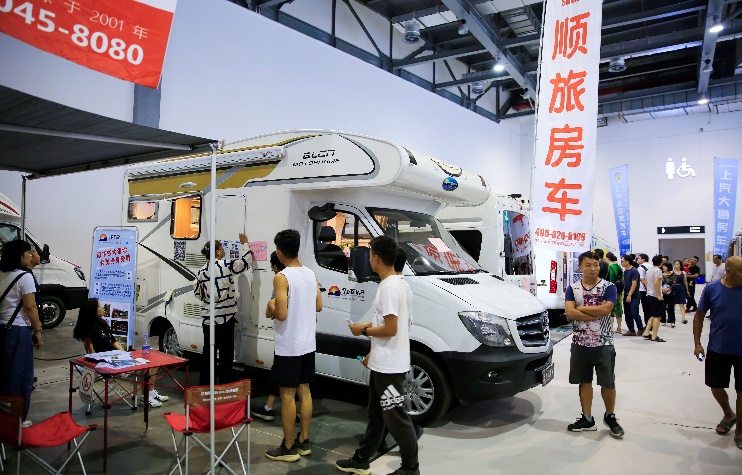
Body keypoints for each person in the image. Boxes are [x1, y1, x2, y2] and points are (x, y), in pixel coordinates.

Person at [337, 236, 420, 475]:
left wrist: (362, 331)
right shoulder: (397, 284)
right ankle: (362, 458)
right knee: (376, 415)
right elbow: (388, 324)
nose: (369, 259)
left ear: (376, 258)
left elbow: (391, 328)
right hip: (383, 362)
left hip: (390, 366)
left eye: (370, 254)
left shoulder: (389, 288)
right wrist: (371, 347)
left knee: (395, 417)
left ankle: (411, 467)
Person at [264, 230, 322, 462]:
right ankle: (303, 441)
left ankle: (288, 447)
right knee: (304, 391)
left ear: (279, 251)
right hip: (307, 343)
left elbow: (281, 313)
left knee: (287, 395)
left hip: (289, 345)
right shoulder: (310, 273)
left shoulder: (282, 277)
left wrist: (271, 306)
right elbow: (318, 305)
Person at [564, 251, 623, 438]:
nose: (593, 268)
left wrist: (581, 308)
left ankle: (610, 416)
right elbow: (570, 313)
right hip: (580, 343)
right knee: (584, 381)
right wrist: (595, 312)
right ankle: (587, 418)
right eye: (588, 265)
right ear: (580, 267)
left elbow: (607, 309)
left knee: (608, 382)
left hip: (603, 342)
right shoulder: (573, 288)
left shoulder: (609, 287)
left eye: (596, 265)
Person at [693, 256, 742, 451]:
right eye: (740, 273)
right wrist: (697, 344)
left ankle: (740, 431)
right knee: (715, 386)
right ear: (728, 271)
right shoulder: (712, 289)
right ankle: (729, 414)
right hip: (718, 348)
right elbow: (698, 316)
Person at [194, 233, 251, 386]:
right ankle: (224, 386)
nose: (224, 250)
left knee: (208, 354)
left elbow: (197, 293)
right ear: (218, 252)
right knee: (226, 355)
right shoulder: (226, 265)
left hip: (208, 318)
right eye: (222, 247)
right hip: (225, 317)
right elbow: (245, 262)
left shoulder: (201, 271)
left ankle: (205, 387)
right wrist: (245, 244)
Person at [0, 240, 43, 427]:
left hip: (2, 328)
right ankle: (16, 421)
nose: (30, 256)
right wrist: (38, 330)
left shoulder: (1, 274)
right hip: (17, 331)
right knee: (20, 376)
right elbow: (30, 307)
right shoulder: (24, 277)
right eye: (28, 253)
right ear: (19, 256)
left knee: (4, 374)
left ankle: (3, 419)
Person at [253, 252, 285, 422]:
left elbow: (272, 311)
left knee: (278, 373)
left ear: (274, 265)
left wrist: (269, 306)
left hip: (285, 338)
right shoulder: (307, 276)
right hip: (304, 340)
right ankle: (298, 413)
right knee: (300, 381)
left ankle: (269, 408)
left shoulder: (280, 280)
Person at [642, 255, 666, 342]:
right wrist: (659, 295)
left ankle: (647, 332)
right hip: (655, 295)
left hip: (649, 294)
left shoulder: (649, 270)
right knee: (658, 316)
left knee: (653, 315)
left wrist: (648, 290)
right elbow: (656, 283)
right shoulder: (658, 271)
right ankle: (654, 336)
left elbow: (645, 281)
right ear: (661, 263)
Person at [621, 255, 643, 336]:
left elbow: (634, 284)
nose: (621, 262)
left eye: (622, 261)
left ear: (627, 262)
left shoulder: (634, 271)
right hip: (626, 293)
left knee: (634, 313)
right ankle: (631, 330)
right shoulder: (625, 271)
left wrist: (629, 295)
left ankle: (640, 328)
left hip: (634, 294)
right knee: (627, 313)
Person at [606, 252, 623, 333]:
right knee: (618, 308)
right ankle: (619, 327)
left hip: (610, 290)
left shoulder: (608, 267)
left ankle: (611, 328)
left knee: (611, 309)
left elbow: (608, 280)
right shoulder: (618, 266)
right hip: (619, 290)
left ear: (608, 258)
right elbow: (622, 278)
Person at [672, 260, 690, 324]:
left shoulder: (683, 273)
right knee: (673, 304)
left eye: (677, 264)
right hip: (673, 288)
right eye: (675, 264)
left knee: (681, 304)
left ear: (680, 265)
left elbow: (685, 282)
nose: (676, 265)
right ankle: (672, 318)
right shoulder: (671, 272)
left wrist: (687, 290)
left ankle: (683, 318)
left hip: (681, 288)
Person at [636, 254, 650, 324]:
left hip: (643, 290)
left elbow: (642, 279)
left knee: (645, 308)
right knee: (650, 307)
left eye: (639, 258)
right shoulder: (650, 266)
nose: (637, 259)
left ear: (643, 259)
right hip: (651, 290)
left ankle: (648, 324)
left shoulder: (641, 268)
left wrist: (647, 288)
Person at [660, 262, 675, 327]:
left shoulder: (672, 274)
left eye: (665, 266)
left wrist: (669, 288)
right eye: (663, 266)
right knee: (662, 306)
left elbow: (674, 283)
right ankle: (663, 320)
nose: (664, 268)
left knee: (670, 307)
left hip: (670, 292)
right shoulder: (660, 274)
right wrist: (661, 289)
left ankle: (672, 321)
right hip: (662, 292)